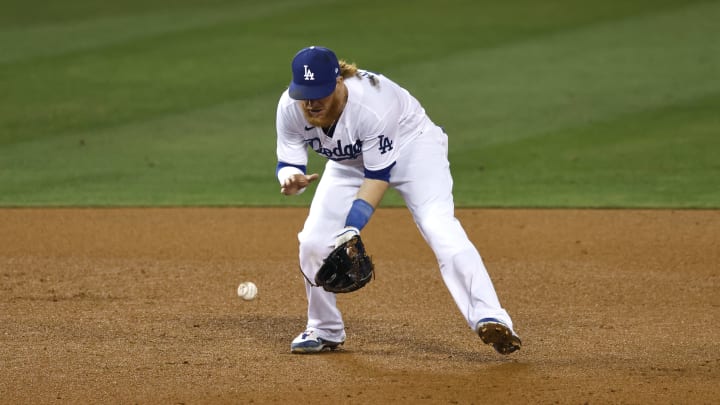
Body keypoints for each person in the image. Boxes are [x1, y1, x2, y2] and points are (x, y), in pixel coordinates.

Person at [275, 45, 521, 355]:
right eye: (304, 94)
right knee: (313, 241)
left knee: (438, 226)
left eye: (319, 93)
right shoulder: (289, 107)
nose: (311, 103)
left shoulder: (373, 104)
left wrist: (352, 227)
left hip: (413, 148)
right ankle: (324, 329)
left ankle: (491, 317)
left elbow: (377, 178)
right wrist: (290, 179)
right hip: (348, 164)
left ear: (338, 82)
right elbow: (290, 160)